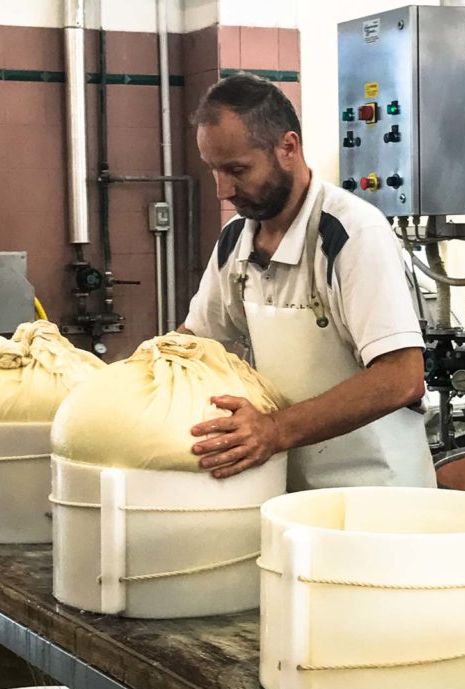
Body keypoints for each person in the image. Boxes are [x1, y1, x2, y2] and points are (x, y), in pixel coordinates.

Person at [182, 73, 436, 491]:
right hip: (294, 491)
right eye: (214, 170)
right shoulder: (235, 242)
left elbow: (401, 375)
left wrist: (274, 430)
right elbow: (198, 344)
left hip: (378, 494)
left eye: (237, 170)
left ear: (288, 147)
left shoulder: (351, 233)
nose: (222, 190)